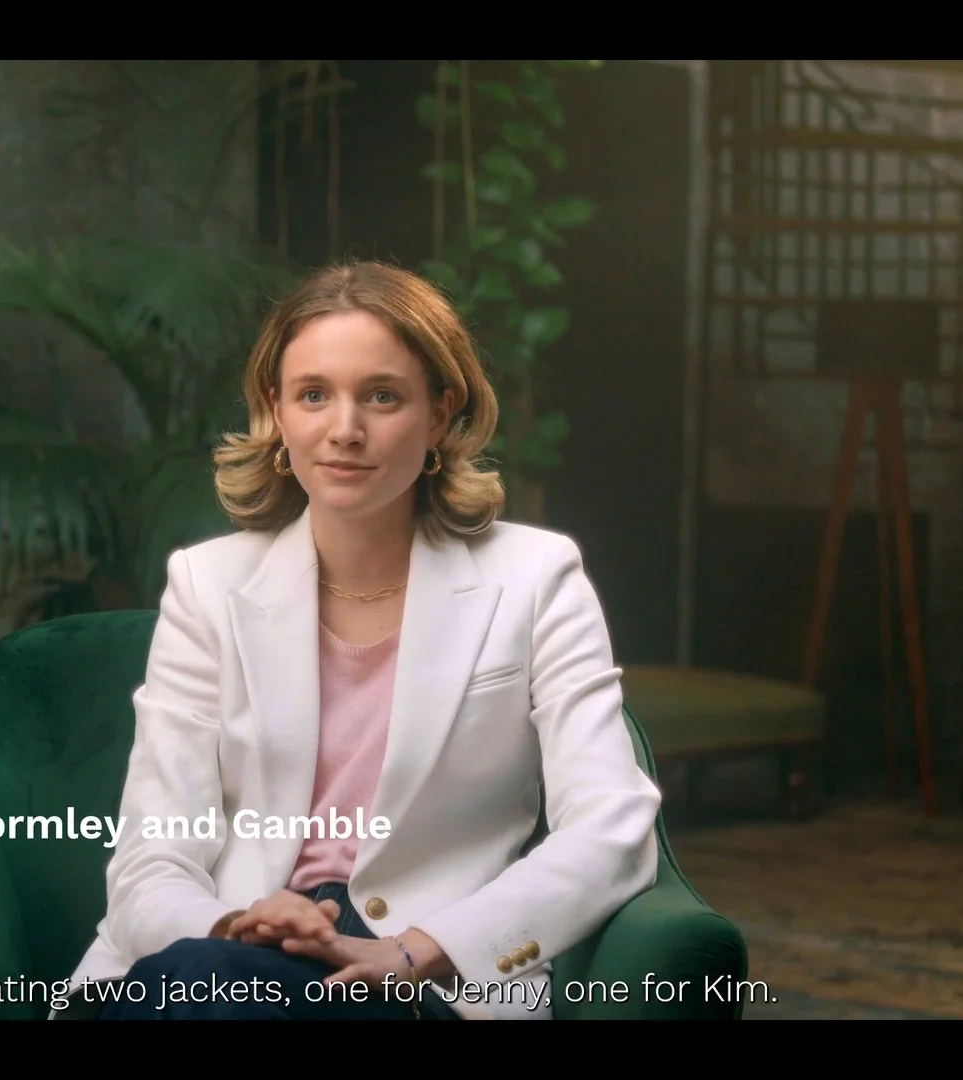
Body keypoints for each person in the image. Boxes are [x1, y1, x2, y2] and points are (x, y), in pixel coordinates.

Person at [59, 259, 662, 1020]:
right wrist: (238, 925)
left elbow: (612, 827)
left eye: (382, 396)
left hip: (420, 981)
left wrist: (415, 950)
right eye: (313, 395)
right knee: (212, 987)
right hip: (218, 957)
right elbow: (152, 855)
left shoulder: (537, 578)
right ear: (276, 412)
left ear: (439, 414)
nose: (345, 430)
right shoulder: (206, 585)